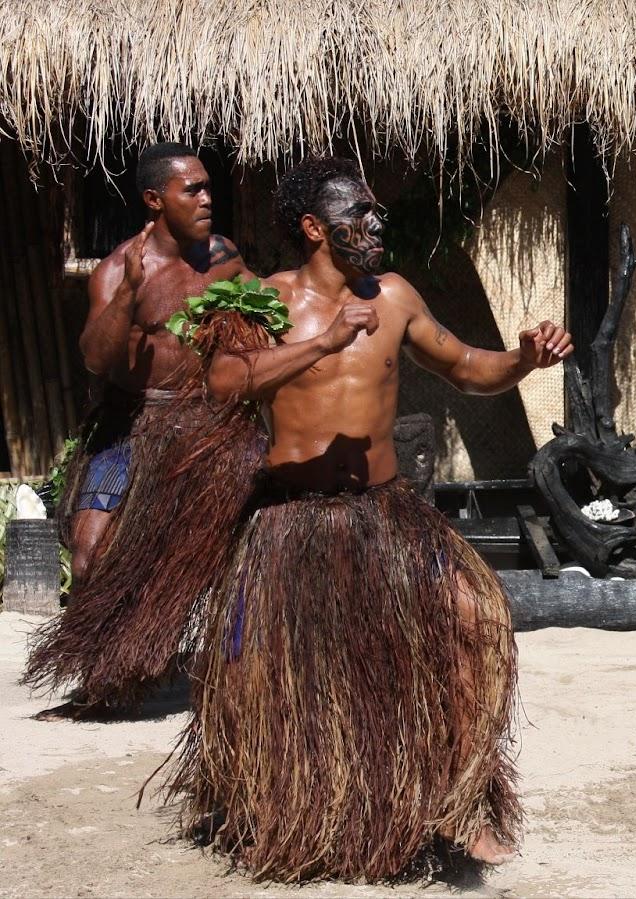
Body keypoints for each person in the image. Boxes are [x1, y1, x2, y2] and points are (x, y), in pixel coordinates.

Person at [167, 157, 572, 881]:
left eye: (376, 212)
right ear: (315, 228)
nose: (376, 224)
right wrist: (321, 343)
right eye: (360, 214)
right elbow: (226, 381)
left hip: (384, 516)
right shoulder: (261, 301)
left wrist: (524, 359)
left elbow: (469, 367)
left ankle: (464, 801)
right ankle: (283, 814)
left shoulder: (394, 296)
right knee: (260, 675)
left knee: (473, 624)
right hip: (289, 523)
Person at [25, 143, 262, 716]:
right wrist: (130, 294)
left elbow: (263, 305)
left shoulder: (223, 255)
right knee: (89, 554)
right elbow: (96, 359)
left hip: (208, 421)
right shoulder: (117, 271)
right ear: (155, 199)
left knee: (234, 550)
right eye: (194, 190)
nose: (208, 198)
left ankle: (234, 667)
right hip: (133, 424)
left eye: (209, 186)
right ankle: (101, 672)